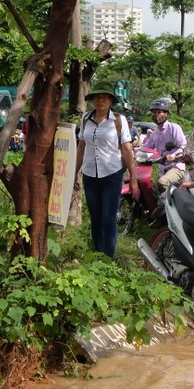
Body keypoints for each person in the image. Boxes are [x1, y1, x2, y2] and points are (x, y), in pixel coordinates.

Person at [74, 80, 139, 258]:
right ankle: (97, 255)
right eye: (97, 97)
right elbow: (81, 146)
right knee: (95, 217)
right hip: (89, 174)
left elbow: (126, 149)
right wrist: (74, 173)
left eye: (104, 97)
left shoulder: (119, 120)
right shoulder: (86, 118)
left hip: (111, 173)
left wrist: (133, 179)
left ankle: (108, 258)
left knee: (107, 218)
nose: (100, 100)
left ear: (111, 100)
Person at [140, 98, 187, 202]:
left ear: (166, 114)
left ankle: (180, 203)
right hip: (163, 168)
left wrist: (174, 155)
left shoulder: (174, 128)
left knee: (162, 182)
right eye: (154, 112)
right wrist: (133, 150)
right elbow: (147, 147)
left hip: (176, 167)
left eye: (159, 112)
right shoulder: (155, 132)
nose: (156, 115)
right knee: (151, 188)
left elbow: (183, 145)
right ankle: (162, 209)